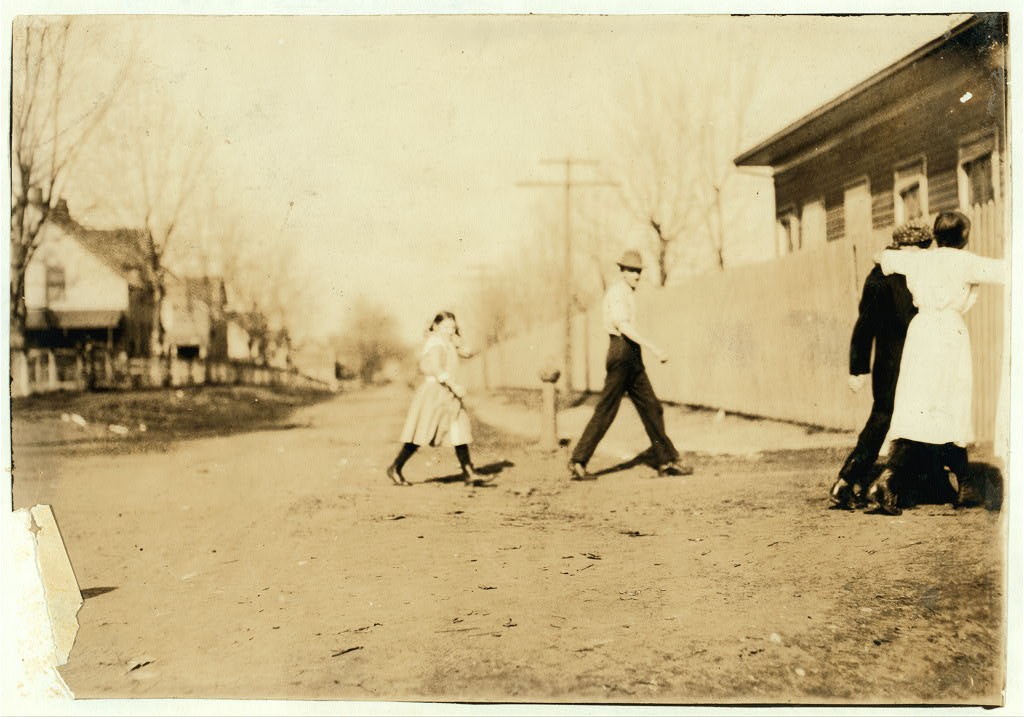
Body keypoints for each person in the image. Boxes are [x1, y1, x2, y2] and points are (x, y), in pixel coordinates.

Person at [865, 210, 1007, 515]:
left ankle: (957, 483)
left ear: (937, 235)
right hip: (949, 336)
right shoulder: (965, 261)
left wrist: (912, 256)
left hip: (922, 332)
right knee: (950, 405)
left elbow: (880, 257)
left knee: (917, 405)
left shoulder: (920, 259)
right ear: (964, 237)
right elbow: (1005, 271)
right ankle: (897, 482)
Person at [828, 222, 932, 509]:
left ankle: (848, 483)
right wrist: (857, 368)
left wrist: (859, 367)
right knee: (886, 417)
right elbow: (865, 325)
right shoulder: (888, 276)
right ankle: (852, 481)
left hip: (901, 360)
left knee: (892, 418)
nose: (926, 252)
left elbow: (866, 325)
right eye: (922, 247)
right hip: (896, 361)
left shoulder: (897, 274)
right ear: (908, 248)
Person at [568, 249, 691, 481]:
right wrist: (654, 348)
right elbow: (623, 327)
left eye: (638, 271)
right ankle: (578, 461)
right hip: (622, 353)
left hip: (631, 356)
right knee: (607, 410)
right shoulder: (617, 293)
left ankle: (666, 461)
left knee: (652, 407)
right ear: (622, 272)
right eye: (631, 271)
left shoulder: (627, 293)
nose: (636, 275)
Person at [387, 311, 487, 487]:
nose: (450, 330)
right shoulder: (435, 343)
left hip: (448, 393)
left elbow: (468, 352)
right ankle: (396, 467)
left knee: (459, 429)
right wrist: (454, 386)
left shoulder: (448, 343)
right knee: (422, 431)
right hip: (435, 392)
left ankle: (468, 472)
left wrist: (458, 340)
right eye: (446, 327)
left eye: (453, 327)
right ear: (436, 326)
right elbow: (436, 369)